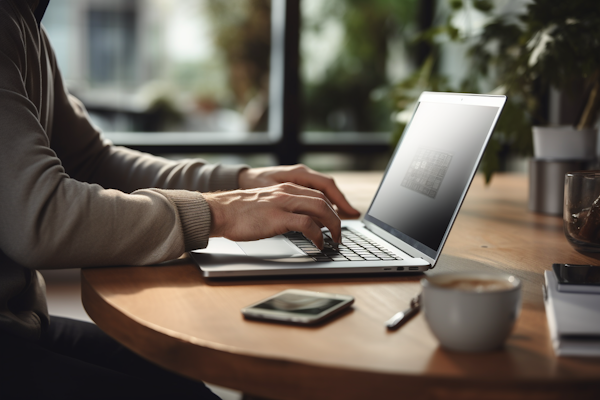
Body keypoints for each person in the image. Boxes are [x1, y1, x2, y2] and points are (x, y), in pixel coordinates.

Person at [0, 1, 360, 398]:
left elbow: (92, 161)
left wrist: (240, 182)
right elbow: (41, 218)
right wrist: (218, 213)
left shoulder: (25, 19)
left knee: (181, 379)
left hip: (20, 322)